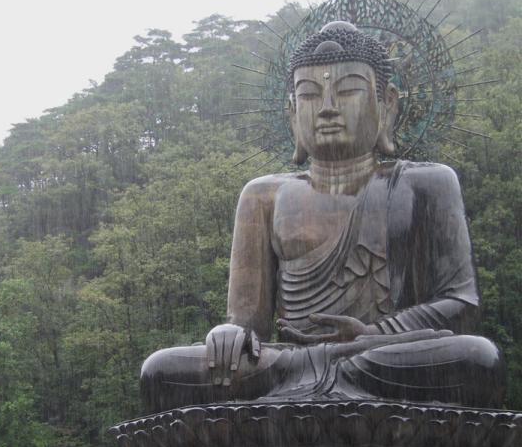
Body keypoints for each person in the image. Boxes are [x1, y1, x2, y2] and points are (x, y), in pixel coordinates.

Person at [141, 22, 504, 412]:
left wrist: (374, 333)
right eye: (310, 94)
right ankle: (321, 390)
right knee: (160, 372)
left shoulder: (427, 182)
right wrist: (229, 335)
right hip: (288, 361)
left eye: (347, 90)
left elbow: (462, 303)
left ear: (386, 104)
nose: (328, 107)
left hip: (382, 353)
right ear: (293, 113)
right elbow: (248, 325)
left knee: (477, 358)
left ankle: (304, 397)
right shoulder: (263, 194)